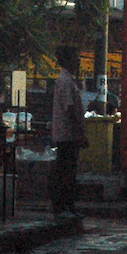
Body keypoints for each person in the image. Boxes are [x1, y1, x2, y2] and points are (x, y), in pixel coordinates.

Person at [50, 45, 88, 219]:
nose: (79, 61)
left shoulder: (68, 79)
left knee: (68, 171)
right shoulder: (65, 80)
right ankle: (63, 206)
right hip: (67, 135)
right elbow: (70, 109)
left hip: (68, 134)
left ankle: (67, 205)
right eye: (76, 57)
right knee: (66, 172)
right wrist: (79, 132)